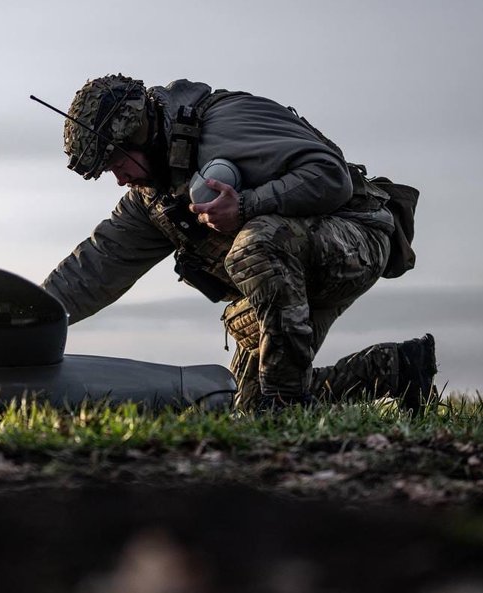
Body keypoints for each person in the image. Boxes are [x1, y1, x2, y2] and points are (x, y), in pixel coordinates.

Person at [40, 74, 437, 412]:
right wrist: (22, 317)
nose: (119, 178)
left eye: (116, 164)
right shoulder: (152, 199)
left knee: (255, 246)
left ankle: (285, 405)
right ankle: (394, 369)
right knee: (245, 406)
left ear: (137, 133)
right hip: (284, 272)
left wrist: (247, 205)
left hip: (355, 236)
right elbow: (94, 267)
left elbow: (331, 177)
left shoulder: (228, 124)